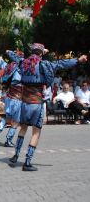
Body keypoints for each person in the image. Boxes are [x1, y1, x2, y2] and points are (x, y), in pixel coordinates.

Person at [7, 43, 88, 171]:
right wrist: (78, 60)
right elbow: (62, 64)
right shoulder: (45, 64)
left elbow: (11, 54)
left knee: (22, 129)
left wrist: (10, 51)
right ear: (41, 52)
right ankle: (27, 162)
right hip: (36, 103)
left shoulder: (23, 63)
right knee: (36, 133)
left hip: (24, 103)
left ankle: (15, 156)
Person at [0, 52, 23, 147]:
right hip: (17, 99)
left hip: (8, 97)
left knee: (7, 117)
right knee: (15, 121)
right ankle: (8, 140)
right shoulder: (22, 68)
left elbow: (2, 63)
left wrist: (0, 58)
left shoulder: (9, 67)